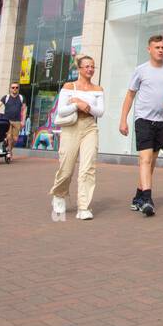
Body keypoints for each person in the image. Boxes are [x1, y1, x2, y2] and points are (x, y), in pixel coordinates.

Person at [118, 35, 163, 216]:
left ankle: (138, 197)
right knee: (145, 160)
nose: (160, 50)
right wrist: (123, 119)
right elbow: (130, 95)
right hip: (143, 120)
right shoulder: (140, 70)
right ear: (149, 49)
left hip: (162, 121)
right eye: (157, 47)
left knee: (151, 162)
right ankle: (147, 199)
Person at [49, 55, 105, 221]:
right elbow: (61, 110)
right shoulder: (69, 86)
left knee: (88, 167)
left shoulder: (98, 89)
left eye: (92, 67)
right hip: (71, 127)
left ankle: (83, 206)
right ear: (79, 69)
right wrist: (77, 105)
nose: (90, 70)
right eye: (87, 66)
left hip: (90, 127)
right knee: (66, 167)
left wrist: (83, 104)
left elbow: (99, 112)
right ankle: (59, 194)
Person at [0, 82, 26, 152]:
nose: (15, 89)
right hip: (7, 120)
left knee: (15, 139)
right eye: (13, 87)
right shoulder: (6, 97)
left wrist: (23, 121)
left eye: (16, 87)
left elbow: (24, 110)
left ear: (18, 89)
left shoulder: (21, 98)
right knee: (9, 136)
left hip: (17, 121)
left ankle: (9, 149)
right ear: (10, 89)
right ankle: (9, 152)